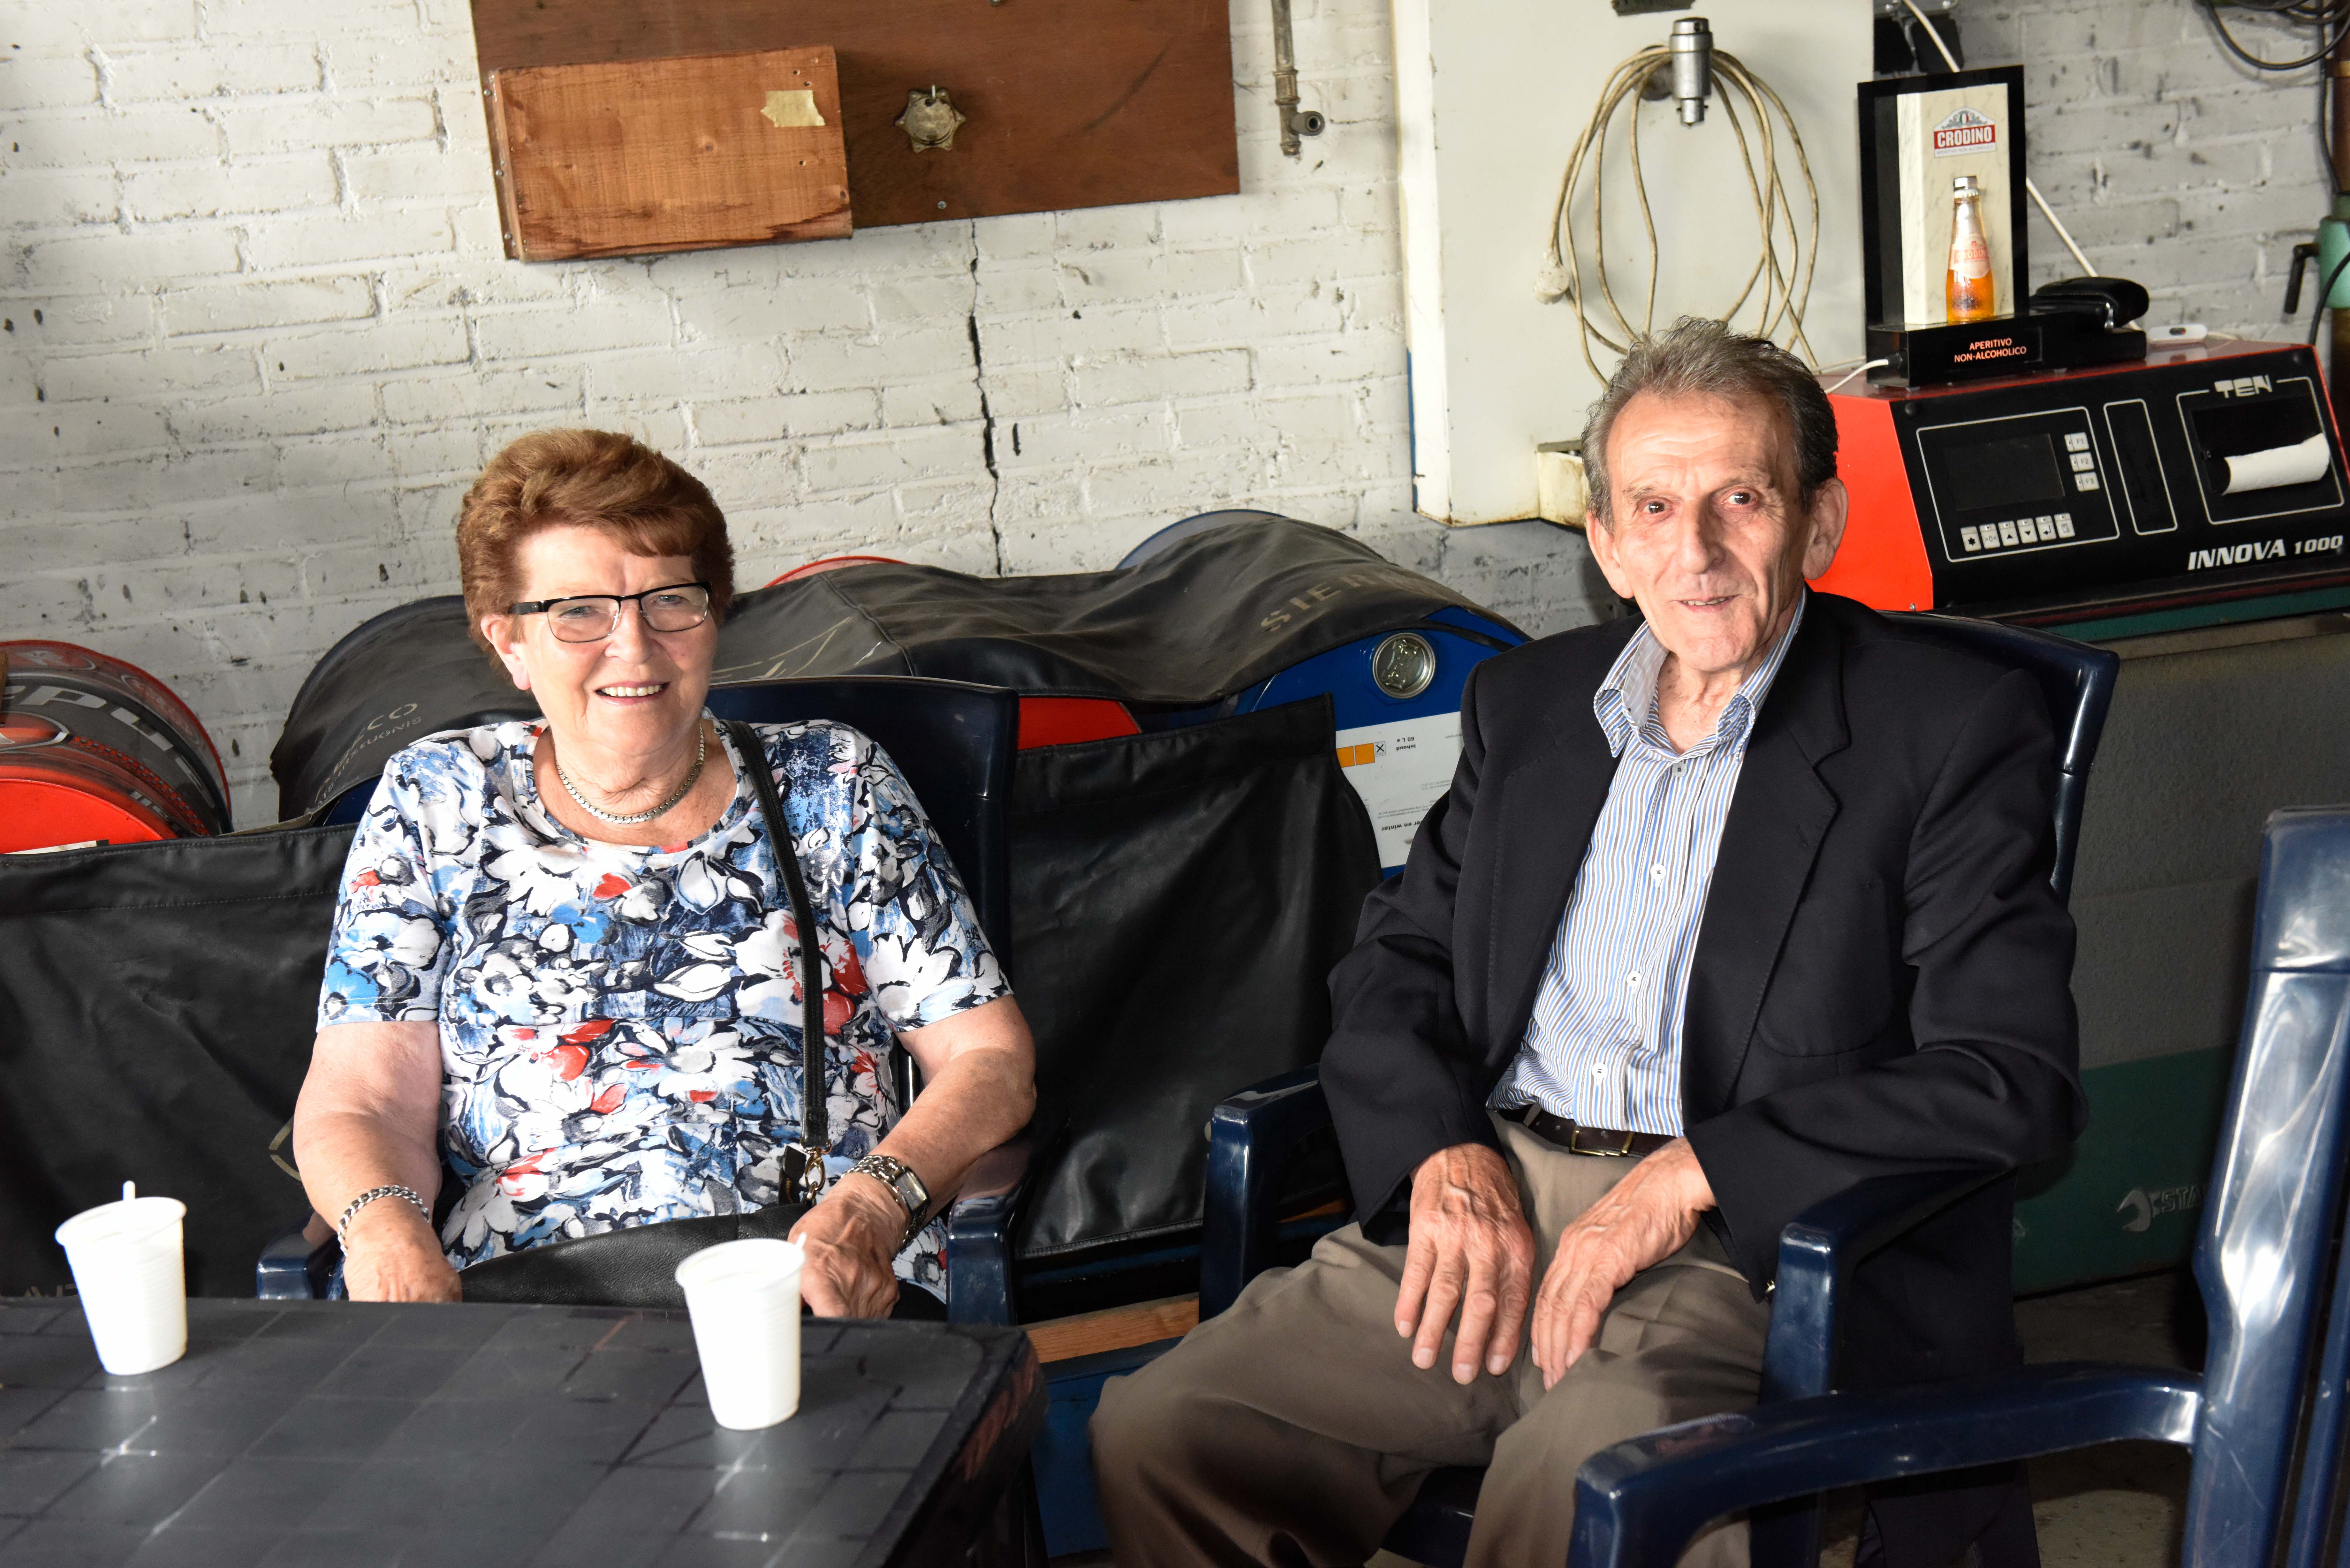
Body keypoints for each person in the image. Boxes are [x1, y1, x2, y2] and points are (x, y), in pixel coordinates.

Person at [1092, 319, 2085, 1566]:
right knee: (1166, 1429)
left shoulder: (1943, 725)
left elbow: (2008, 1077)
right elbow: (1397, 962)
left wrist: (1688, 1175)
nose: (1696, 552)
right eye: (1654, 508)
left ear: (1819, 523)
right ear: (1606, 543)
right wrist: (1444, 1152)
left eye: (1741, 500)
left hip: (1742, 1248)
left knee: (1587, 1484)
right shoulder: (1532, 705)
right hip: (1493, 1202)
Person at [292, 428, 1036, 1317]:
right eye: (579, 612)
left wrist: (873, 1208)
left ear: (715, 615)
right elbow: (361, 1101)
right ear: (510, 643)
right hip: (527, 1304)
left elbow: (989, 1059)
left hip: (803, 1280)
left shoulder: (831, 783)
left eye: (671, 601)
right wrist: (385, 1235)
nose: (635, 647)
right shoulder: (436, 799)